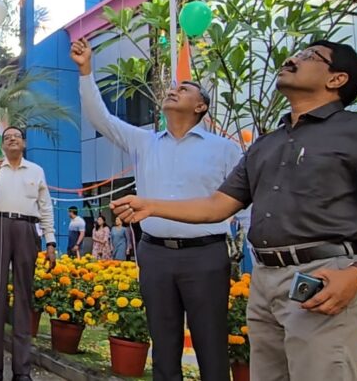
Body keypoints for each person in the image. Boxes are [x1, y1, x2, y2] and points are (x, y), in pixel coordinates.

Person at [112, 41, 357, 381]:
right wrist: (151, 205)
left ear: (336, 79)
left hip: (326, 276)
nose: (292, 58)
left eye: (309, 56)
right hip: (265, 280)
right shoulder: (267, 144)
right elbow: (217, 205)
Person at [72, 37, 241, 381]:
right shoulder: (144, 141)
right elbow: (101, 119)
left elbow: (242, 201)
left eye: (185, 89)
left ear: (201, 107)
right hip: (155, 255)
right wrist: (86, 71)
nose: (174, 91)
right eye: (173, 88)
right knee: (163, 348)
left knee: (211, 346)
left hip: (206, 256)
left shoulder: (225, 149)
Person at [0, 126, 55, 381]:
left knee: (24, 297)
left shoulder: (36, 170)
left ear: (24, 144)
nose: (12, 139)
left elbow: (45, 207)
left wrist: (51, 241)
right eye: (7, 137)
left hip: (26, 229)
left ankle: (22, 370)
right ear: (2, 145)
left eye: (16, 137)